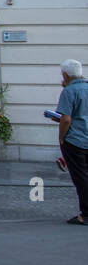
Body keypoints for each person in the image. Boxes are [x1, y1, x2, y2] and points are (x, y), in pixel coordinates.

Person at [55, 59, 88, 225]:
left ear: (65, 75)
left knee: (81, 178)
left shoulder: (69, 91)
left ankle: (86, 214)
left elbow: (66, 119)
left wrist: (61, 137)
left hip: (76, 141)